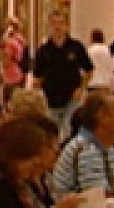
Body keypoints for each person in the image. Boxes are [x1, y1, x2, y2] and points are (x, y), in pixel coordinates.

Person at [31, 11, 92, 141]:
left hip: (72, 96)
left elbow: (89, 70)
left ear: (66, 25)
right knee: (53, 131)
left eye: (61, 23)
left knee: (68, 128)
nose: (57, 27)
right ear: (49, 26)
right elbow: (37, 77)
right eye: (54, 23)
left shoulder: (76, 47)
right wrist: (37, 95)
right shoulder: (44, 50)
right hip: (50, 97)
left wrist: (81, 89)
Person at [0, 16, 28, 104]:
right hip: (20, 74)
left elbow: (6, 61)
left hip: (10, 77)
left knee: (9, 104)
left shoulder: (10, 42)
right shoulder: (21, 40)